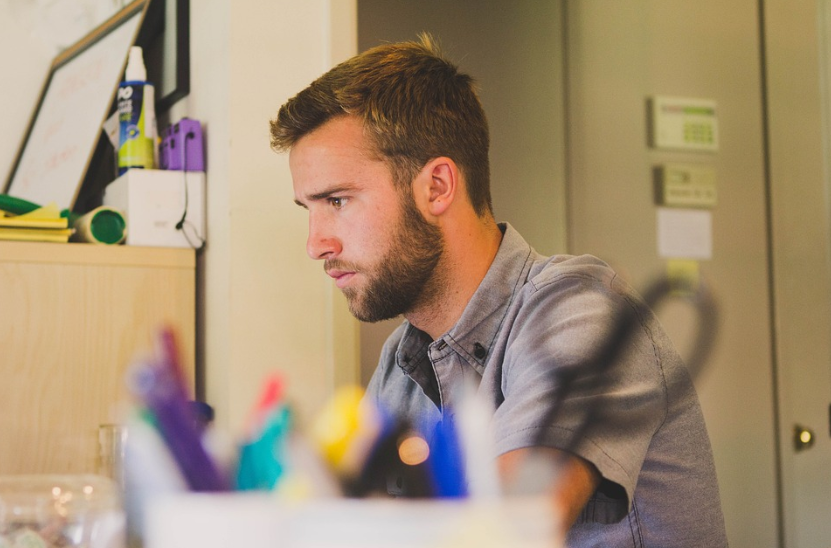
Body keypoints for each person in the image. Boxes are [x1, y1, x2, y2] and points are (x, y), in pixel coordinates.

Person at [270, 35, 728, 547]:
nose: (316, 244)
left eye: (336, 201)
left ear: (438, 187)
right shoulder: (401, 362)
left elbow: (509, 531)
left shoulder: (582, 310)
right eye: (307, 209)